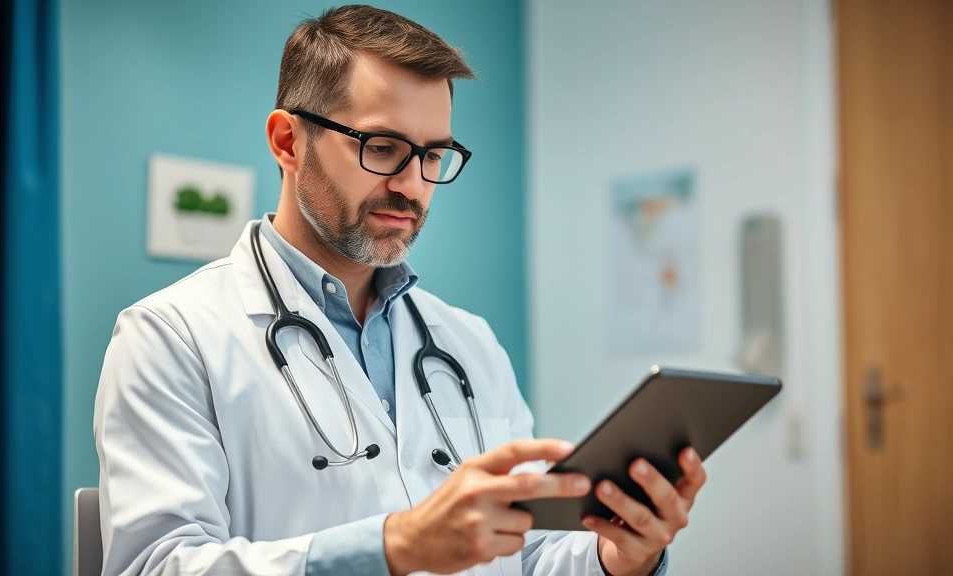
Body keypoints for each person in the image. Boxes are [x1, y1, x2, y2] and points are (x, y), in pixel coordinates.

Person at [94, 5, 706, 576]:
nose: (413, 185)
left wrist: (619, 555)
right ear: (288, 142)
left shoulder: (468, 342)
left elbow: (531, 551)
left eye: (434, 156)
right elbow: (156, 564)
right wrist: (395, 546)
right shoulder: (170, 336)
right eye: (383, 148)